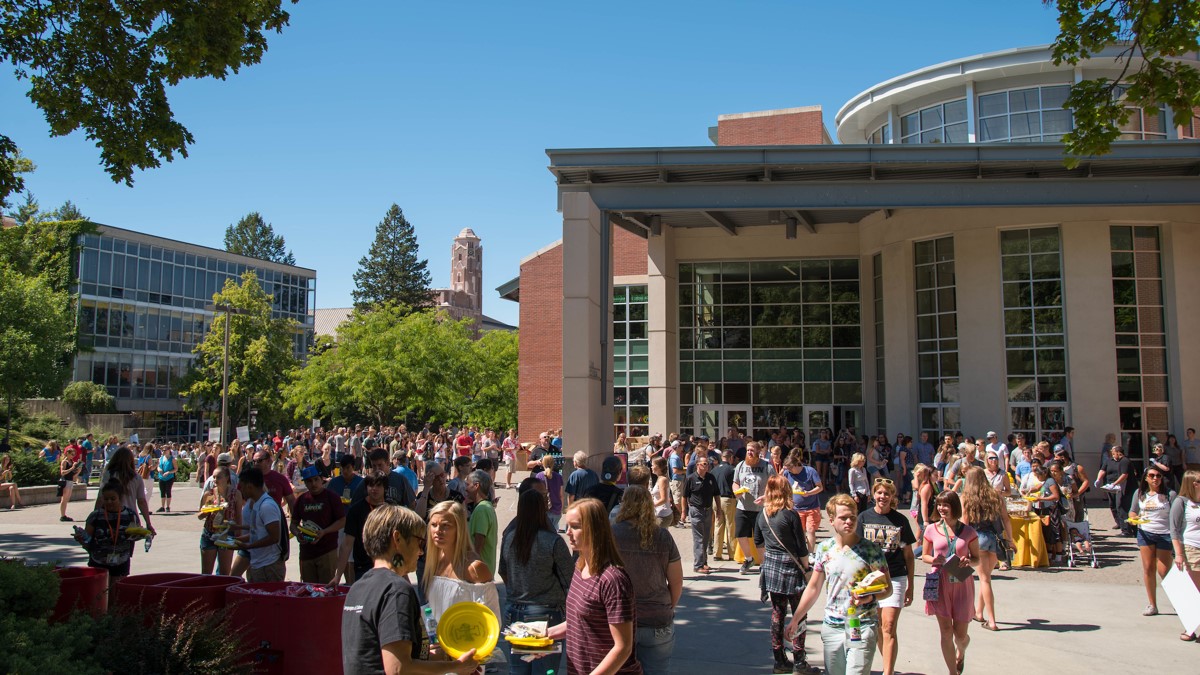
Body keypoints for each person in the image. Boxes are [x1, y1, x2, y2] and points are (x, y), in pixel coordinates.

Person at [340, 503, 478, 675]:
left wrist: (430, 656)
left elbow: (373, 655)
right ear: (397, 539)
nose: (421, 552)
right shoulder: (396, 590)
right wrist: (457, 666)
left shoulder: (357, 588)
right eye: (420, 542)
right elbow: (398, 668)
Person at [785, 493, 889, 675]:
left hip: (862, 625)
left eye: (852, 517)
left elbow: (887, 588)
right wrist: (796, 618)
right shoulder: (825, 548)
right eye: (843, 518)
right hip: (833, 626)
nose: (849, 521)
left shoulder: (871, 550)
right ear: (832, 520)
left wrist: (870, 597)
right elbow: (814, 587)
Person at [545, 498, 641, 675]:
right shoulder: (580, 567)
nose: (568, 533)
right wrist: (542, 637)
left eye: (575, 526)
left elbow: (623, 647)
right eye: (567, 526)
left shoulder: (613, 580)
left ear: (594, 530)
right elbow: (579, 621)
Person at [421, 501, 504, 672]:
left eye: (446, 526)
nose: (438, 531)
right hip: (437, 657)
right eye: (434, 525)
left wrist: (471, 659)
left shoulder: (474, 568)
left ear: (459, 528)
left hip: (465, 659)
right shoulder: (434, 562)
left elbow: (491, 620)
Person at [500, 488, 574, 675]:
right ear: (543, 510)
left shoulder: (509, 538)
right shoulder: (553, 542)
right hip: (546, 615)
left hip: (515, 611)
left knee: (518, 670)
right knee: (545, 671)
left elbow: (503, 572)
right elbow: (569, 580)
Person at [612, 486, 682, 675]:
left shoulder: (612, 534)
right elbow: (676, 581)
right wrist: (669, 607)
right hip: (657, 617)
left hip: (621, 617)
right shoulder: (662, 536)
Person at [755, 476, 817, 675]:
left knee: (777, 613)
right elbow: (801, 546)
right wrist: (806, 568)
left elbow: (758, 542)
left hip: (772, 567)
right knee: (799, 614)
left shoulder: (762, 514)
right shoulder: (790, 515)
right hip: (791, 567)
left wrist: (767, 561)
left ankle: (779, 659)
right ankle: (799, 660)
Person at [856, 477, 916, 675]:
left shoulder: (900, 521)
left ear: (892, 497)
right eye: (879, 493)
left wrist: (911, 586)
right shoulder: (863, 518)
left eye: (887, 494)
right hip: (869, 578)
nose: (883, 497)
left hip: (895, 576)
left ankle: (888, 672)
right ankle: (887, 664)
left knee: (889, 625)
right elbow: (854, 549)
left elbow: (908, 555)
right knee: (879, 626)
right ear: (874, 495)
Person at [921, 491, 979, 675]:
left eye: (945, 505)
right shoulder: (931, 529)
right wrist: (933, 560)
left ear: (954, 506)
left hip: (962, 581)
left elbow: (977, 559)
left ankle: (961, 651)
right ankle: (952, 672)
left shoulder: (969, 532)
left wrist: (969, 561)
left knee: (960, 635)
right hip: (940, 581)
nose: (941, 508)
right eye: (939, 505)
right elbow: (924, 555)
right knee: (945, 631)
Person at [960, 467, 1011, 631]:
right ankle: (979, 612)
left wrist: (961, 544)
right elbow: (1006, 519)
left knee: (984, 579)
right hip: (994, 539)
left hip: (978, 538)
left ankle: (992, 621)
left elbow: (965, 523)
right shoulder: (996, 496)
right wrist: (1010, 539)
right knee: (986, 577)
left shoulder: (967, 498)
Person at [73, 479, 139, 596]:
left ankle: (114, 613)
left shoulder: (129, 515)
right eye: (106, 499)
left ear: (120, 498)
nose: (109, 502)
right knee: (100, 594)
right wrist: (81, 539)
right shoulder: (95, 515)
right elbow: (88, 540)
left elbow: (132, 536)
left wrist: (141, 535)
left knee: (117, 593)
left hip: (121, 560)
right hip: (99, 560)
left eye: (113, 498)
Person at [1129, 463, 1176, 617]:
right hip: (1145, 532)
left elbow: (1176, 516)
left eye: (1158, 476)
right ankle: (1152, 604)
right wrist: (1134, 518)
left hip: (1165, 534)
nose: (1155, 478)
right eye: (1152, 476)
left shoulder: (1170, 494)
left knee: (1164, 571)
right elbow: (1133, 511)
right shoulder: (1140, 493)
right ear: (1146, 478)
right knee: (1148, 568)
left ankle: (1178, 601)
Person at [293, 465, 347, 583]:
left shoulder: (332, 497)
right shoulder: (301, 500)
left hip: (327, 550)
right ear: (305, 483)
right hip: (306, 552)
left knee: (326, 589)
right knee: (309, 589)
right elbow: (293, 523)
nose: (313, 484)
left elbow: (342, 521)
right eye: (309, 481)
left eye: (316, 479)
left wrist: (324, 532)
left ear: (321, 479)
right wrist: (298, 534)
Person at [333, 471, 390, 585]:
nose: (374, 489)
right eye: (371, 485)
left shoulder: (391, 509)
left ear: (385, 488)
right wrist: (338, 576)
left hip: (388, 566)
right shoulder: (356, 510)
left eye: (378, 485)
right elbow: (346, 545)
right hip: (363, 568)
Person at [231, 467, 285, 582]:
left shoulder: (266, 506)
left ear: (250, 487)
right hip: (257, 563)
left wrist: (249, 546)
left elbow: (274, 537)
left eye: (242, 486)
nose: (241, 490)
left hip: (269, 566)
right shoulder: (256, 503)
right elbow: (257, 532)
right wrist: (236, 541)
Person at [733, 442, 776, 575]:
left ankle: (764, 563)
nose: (749, 453)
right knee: (740, 534)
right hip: (743, 507)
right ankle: (748, 559)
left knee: (760, 539)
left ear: (758, 452)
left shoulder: (767, 467)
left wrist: (766, 496)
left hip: (760, 509)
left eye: (752, 450)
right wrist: (737, 491)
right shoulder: (740, 465)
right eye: (747, 450)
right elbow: (735, 483)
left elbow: (774, 485)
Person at [1170, 469, 1200, 640]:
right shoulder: (1181, 502)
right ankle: (1190, 627)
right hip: (1191, 548)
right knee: (1194, 591)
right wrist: (1179, 554)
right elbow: (1174, 530)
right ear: (1193, 484)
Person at [198, 465, 241, 575]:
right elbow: (200, 515)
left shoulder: (235, 494)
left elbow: (239, 516)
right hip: (209, 533)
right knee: (206, 572)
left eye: (218, 477)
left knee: (224, 572)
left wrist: (239, 536)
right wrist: (208, 510)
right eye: (214, 477)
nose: (215, 480)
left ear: (227, 477)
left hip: (226, 534)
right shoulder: (210, 494)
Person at [683, 452, 720, 575]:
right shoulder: (690, 478)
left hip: (708, 510)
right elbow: (684, 496)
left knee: (706, 538)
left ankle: (704, 562)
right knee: (698, 538)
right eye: (704, 464)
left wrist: (718, 510)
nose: (707, 466)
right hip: (696, 510)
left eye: (708, 464)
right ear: (698, 465)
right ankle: (698, 565)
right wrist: (684, 512)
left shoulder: (711, 478)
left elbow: (716, 494)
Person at [782, 449, 823, 557]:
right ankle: (800, 552)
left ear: (796, 465)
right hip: (795, 508)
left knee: (810, 530)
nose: (790, 471)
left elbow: (820, 487)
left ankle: (810, 553)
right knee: (799, 532)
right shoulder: (787, 473)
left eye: (791, 468)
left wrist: (808, 493)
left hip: (811, 507)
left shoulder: (810, 471)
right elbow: (782, 486)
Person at [465, 469, 499, 575]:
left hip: (479, 573)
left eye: (468, 484)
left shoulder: (482, 509)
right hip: (483, 570)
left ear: (476, 485)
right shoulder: (486, 507)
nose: (465, 489)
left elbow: (478, 545)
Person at [1097, 444, 1133, 535]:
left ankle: (1126, 529)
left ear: (1118, 453)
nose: (1113, 455)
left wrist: (1115, 484)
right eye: (1112, 454)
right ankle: (1119, 523)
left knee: (1120, 506)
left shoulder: (1124, 461)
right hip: (1111, 486)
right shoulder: (1109, 461)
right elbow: (1102, 470)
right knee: (1112, 505)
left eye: (1114, 454)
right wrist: (1098, 479)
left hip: (1120, 486)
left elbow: (1124, 475)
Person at [711, 449, 737, 562]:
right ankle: (732, 553)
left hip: (715, 499)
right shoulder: (732, 469)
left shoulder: (714, 470)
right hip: (728, 499)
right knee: (730, 526)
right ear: (731, 458)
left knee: (718, 525)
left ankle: (717, 553)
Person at [537, 454, 565, 530]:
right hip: (556, 509)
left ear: (543, 463)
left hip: (544, 510)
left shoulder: (539, 476)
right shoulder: (558, 477)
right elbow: (561, 495)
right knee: (554, 531)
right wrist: (561, 509)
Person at [58, 446, 84, 522]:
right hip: (65, 481)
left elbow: (73, 475)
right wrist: (72, 468)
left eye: (74, 454)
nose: (73, 456)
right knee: (64, 499)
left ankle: (64, 514)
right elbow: (62, 472)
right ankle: (62, 515)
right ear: (67, 454)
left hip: (70, 481)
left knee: (67, 499)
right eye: (72, 454)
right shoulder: (65, 462)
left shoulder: (72, 462)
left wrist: (78, 470)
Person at [650, 457, 673, 527]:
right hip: (659, 513)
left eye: (653, 465)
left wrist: (650, 506)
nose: (651, 467)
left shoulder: (662, 480)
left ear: (658, 467)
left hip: (663, 515)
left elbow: (664, 499)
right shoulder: (660, 478)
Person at [156, 447, 177, 513]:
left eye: (165, 450)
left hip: (169, 477)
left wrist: (169, 472)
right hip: (161, 477)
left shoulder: (172, 459)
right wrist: (159, 469)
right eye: (163, 450)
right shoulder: (161, 458)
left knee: (168, 491)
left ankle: (168, 506)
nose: (164, 451)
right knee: (162, 491)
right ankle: (162, 506)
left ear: (169, 450)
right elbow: (158, 466)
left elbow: (176, 469)